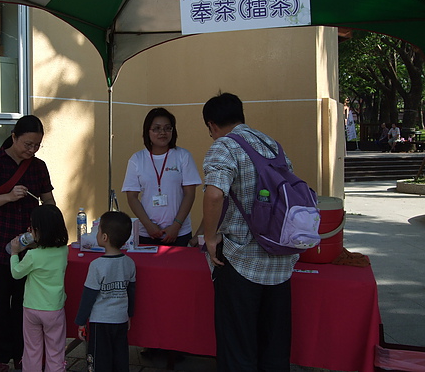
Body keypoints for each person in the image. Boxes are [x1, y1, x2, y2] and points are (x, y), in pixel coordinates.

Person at [201, 92, 296, 371]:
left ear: (211, 125)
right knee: (275, 349)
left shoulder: (225, 146)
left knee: (238, 348)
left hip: (241, 262)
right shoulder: (273, 146)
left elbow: (214, 194)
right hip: (280, 261)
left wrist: (209, 238)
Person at [0, 115, 56, 372]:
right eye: (27, 144)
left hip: (29, 247)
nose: (31, 150)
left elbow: (49, 201)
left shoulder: (38, 167)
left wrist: (49, 221)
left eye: (36, 145)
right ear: (14, 137)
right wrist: (8, 197)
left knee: (24, 303)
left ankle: (23, 354)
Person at [122, 108, 202, 246]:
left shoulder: (183, 156)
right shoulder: (137, 159)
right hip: (146, 233)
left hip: (179, 232)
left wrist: (176, 226)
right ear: (148, 131)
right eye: (156, 128)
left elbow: (190, 194)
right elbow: (132, 197)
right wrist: (149, 226)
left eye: (167, 128)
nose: (162, 133)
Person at [9, 205, 69, 372]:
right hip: (54, 309)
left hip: (31, 308)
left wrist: (14, 253)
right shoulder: (64, 251)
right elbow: (49, 253)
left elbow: (16, 273)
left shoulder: (33, 255)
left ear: (37, 231)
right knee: (56, 351)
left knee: (32, 350)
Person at [75, 211, 136, 372]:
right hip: (120, 319)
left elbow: (88, 295)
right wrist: (129, 314)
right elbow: (131, 291)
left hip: (100, 321)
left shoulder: (96, 265)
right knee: (120, 358)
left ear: (104, 237)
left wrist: (81, 322)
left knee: (99, 360)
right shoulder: (129, 263)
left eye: (99, 230)